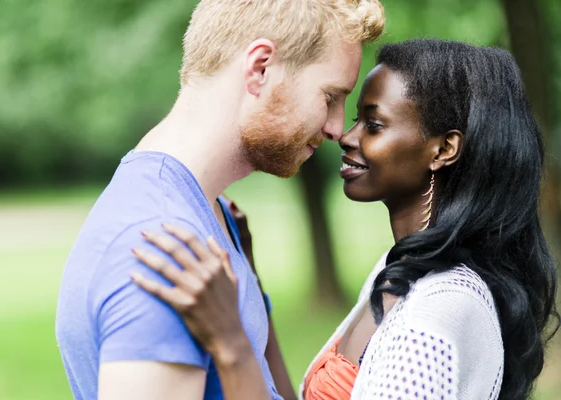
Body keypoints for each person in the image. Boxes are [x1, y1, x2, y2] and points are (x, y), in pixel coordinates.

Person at [131, 39, 560, 400]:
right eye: (355, 118)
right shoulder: (399, 270)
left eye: (373, 124)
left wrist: (230, 344)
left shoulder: (435, 317)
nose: (346, 136)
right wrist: (251, 284)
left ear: (443, 149)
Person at [54, 0, 385, 399]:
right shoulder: (162, 248)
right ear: (260, 67)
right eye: (331, 96)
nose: (337, 127)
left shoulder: (207, 213)